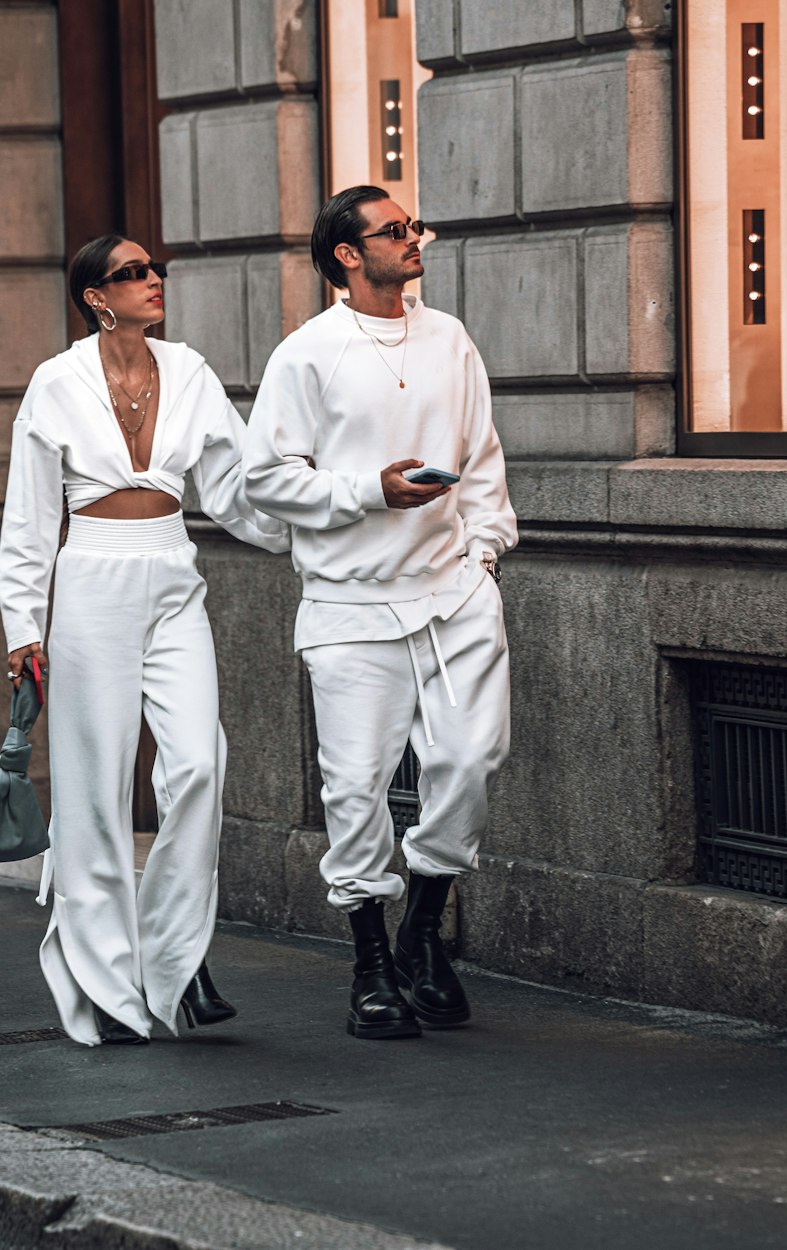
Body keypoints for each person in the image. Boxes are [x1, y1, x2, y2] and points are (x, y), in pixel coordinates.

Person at [0, 235, 289, 1046]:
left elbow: (234, 492)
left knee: (198, 763)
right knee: (94, 788)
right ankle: (101, 974)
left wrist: (322, 534)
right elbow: (28, 517)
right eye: (132, 273)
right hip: (91, 578)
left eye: (154, 269)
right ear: (96, 296)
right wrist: (24, 625)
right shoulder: (55, 383)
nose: (152, 280)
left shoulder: (189, 371)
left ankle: (175, 953)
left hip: (172, 572)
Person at [243, 186, 517, 1041]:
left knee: (470, 760)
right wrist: (370, 491)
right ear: (348, 256)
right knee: (356, 788)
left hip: (453, 591)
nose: (413, 238)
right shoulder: (309, 354)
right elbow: (266, 479)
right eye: (393, 231)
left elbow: (479, 456)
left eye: (412, 225)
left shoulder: (449, 337)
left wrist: (483, 550)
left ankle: (422, 932)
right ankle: (371, 966)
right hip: (351, 604)